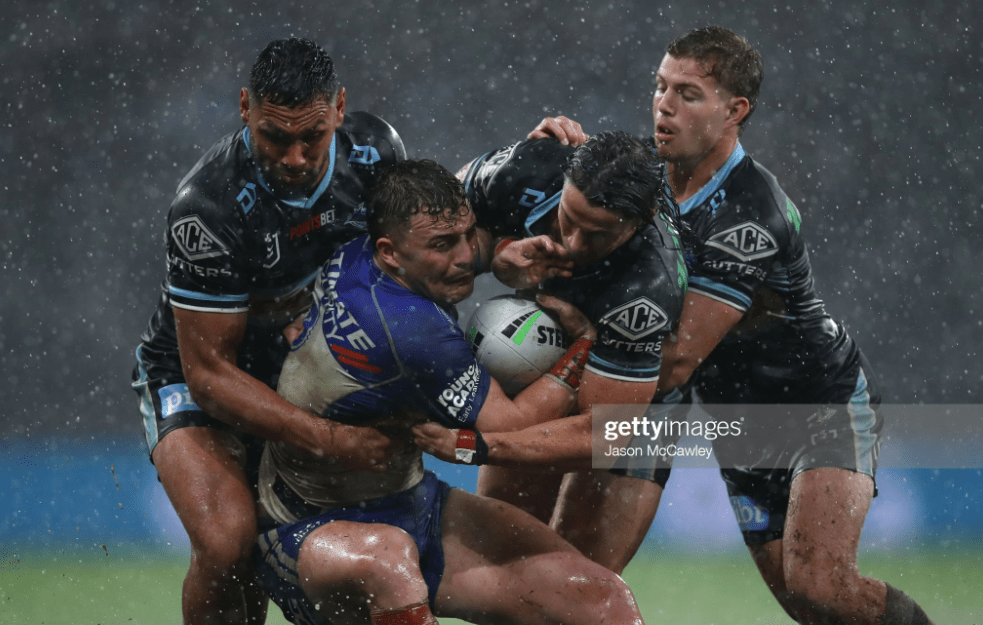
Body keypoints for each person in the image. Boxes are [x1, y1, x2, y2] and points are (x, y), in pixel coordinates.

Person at [530, 25, 934, 625]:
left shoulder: (750, 212)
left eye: (688, 93)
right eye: (661, 86)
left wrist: (580, 331)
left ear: (735, 110)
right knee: (575, 574)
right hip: (731, 414)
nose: (664, 104)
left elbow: (674, 361)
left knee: (820, 588)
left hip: (814, 404)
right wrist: (542, 159)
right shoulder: (638, 177)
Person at [253, 158, 645, 625]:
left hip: (411, 504)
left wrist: (499, 250)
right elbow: (514, 426)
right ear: (391, 252)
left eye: (467, 235)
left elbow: (448, 240)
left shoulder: (361, 252)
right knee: (390, 563)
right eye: (443, 245)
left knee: (602, 599)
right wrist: (579, 349)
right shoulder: (412, 331)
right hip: (304, 530)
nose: (464, 256)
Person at [130, 38, 405, 625]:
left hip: (298, 369)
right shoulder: (208, 208)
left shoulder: (375, 154)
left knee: (321, 546)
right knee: (228, 542)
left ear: (339, 108)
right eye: (275, 137)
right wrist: (330, 440)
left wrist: (524, 170)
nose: (296, 157)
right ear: (244, 109)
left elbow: (418, 254)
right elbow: (210, 376)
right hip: (196, 374)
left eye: (313, 137)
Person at [450, 130, 688, 573]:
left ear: (640, 221)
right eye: (568, 218)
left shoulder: (647, 286)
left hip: (635, 400)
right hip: (550, 367)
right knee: (500, 559)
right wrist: (495, 253)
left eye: (597, 235)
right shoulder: (524, 168)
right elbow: (424, 234)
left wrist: (478, 445)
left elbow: (603, 433)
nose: (574, 243)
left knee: (579, 580)